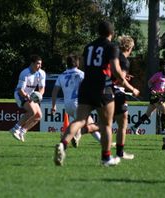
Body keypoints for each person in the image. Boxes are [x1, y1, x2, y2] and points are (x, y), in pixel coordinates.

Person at [54, 20, 137, 166]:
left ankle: (63, 143)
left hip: (86, 86)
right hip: (103, 87)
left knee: (79, 120)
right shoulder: (112, 47)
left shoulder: (89, 47)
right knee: (106, 124)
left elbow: (88, 66)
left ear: (98, 32)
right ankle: (106, 158)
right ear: (111, 33)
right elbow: (115, 70)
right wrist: (125, 81)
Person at [51, 54, 101, 147]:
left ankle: (102, 142)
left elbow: (54, 91)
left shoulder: (61, 75)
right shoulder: (81, 74)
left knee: (87, 123)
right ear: (77, 63)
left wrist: (53, 105)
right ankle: (73, 136)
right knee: (88, 124)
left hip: (67, 106)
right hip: (79, 104)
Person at [130, 60, 165, 134]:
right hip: (155, 95)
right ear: (163, 67)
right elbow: (149, 82)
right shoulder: (158, 75)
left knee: (148, 114)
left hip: (161, 96)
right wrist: (151, 89)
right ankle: (163, 129)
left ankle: (135, 127)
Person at [10, 54, 46, 142]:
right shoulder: (25, 73)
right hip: (20, 95)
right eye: (38, 64)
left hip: (31, 95)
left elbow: (42, 88)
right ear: (32, 63)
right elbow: (20, 90)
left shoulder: (41, 73)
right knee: (32, 112)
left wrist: (39, 96)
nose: (40, 66)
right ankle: (15, 128)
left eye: (40, 64)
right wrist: (27, 97)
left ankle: (22, 131)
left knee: (38, 116)